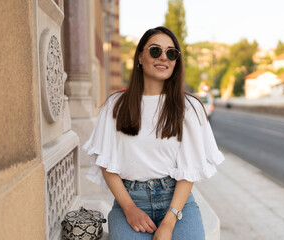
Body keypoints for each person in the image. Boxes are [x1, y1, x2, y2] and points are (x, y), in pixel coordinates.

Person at [83, 26, 225, 240]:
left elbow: (189, 170)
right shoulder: (115, 105)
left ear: (176, 61)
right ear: (140, 56)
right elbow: (106, 164)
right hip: (130, 200)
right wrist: (130, 209)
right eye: (155, 50)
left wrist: (169, 221)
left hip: (177, 204)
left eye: (171, 53)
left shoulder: (190, 107)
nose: (163, 58)